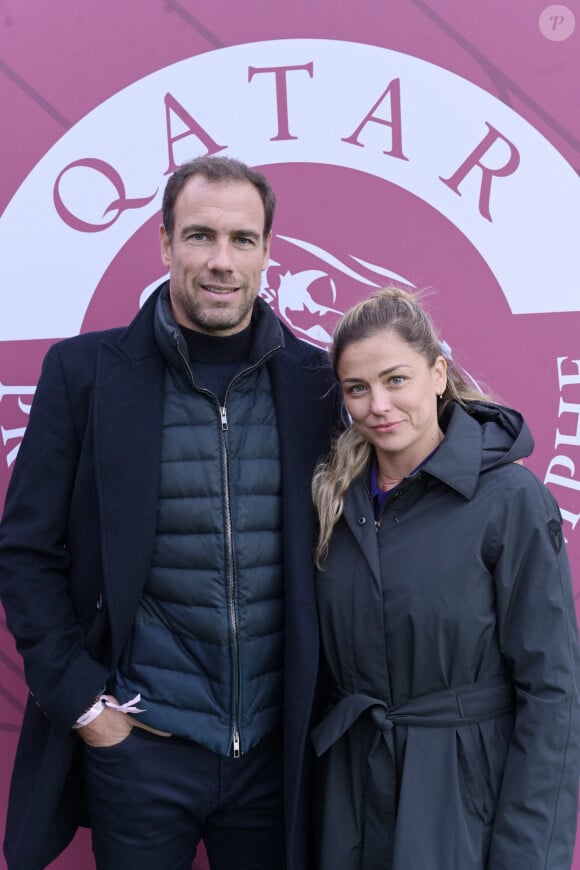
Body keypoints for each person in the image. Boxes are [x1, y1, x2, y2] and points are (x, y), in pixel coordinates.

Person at [0, 155, 342, 870]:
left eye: (242, 240)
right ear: (164, 243)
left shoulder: (316, 382)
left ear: (266, 252)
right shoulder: (83, 374)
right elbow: (26, 552)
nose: (221, 261)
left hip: (277, 758)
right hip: (142, 753)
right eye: (200, 236)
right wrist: (88, 710)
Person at [310, 287, 580, 870]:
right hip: (350, 800)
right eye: (358, 388)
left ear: (438, 373)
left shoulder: (511, 500)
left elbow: (552, 692)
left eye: (396, 379)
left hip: (462, 802)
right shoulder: (336, 503)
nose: (378, 404)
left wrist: (527, 855)